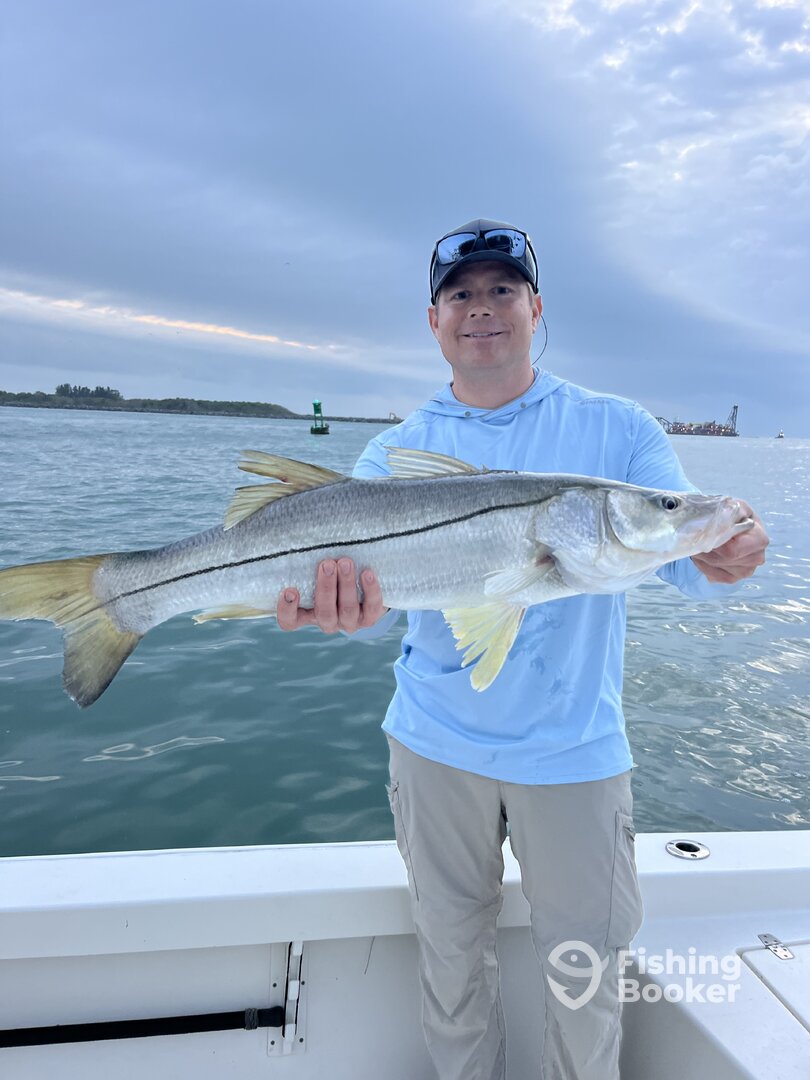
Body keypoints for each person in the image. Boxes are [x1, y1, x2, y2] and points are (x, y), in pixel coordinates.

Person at [276, 219, 769, 1080]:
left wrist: (726, 550)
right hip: (434, 746)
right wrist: (340, 613)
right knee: (451, 968)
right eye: (460, 294)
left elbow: (684, 556)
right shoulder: (393, 453)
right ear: (434, 321)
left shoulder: (616, 430)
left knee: (587, 978)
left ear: (536, 309)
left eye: (503, 289)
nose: (482, 308)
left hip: (575, 752)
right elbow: (379, 614)